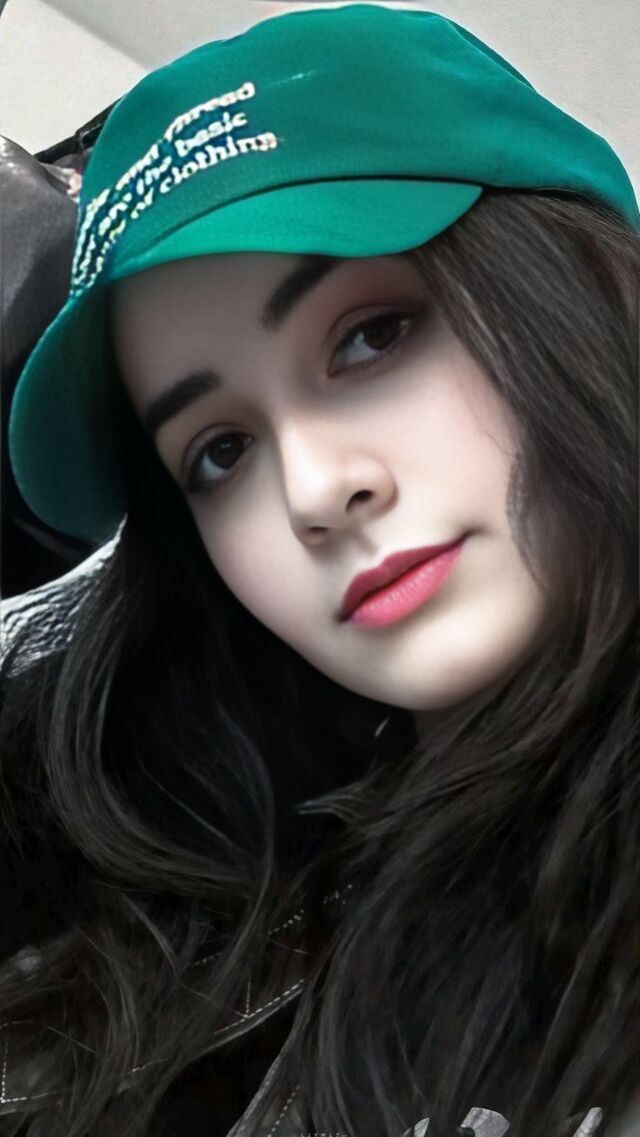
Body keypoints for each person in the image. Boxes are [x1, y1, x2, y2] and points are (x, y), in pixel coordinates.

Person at [1, 5, 638, 1136]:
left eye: (371, 336)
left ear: (591, 293)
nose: (311, 490)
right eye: (219, 451)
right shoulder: (187, 859)